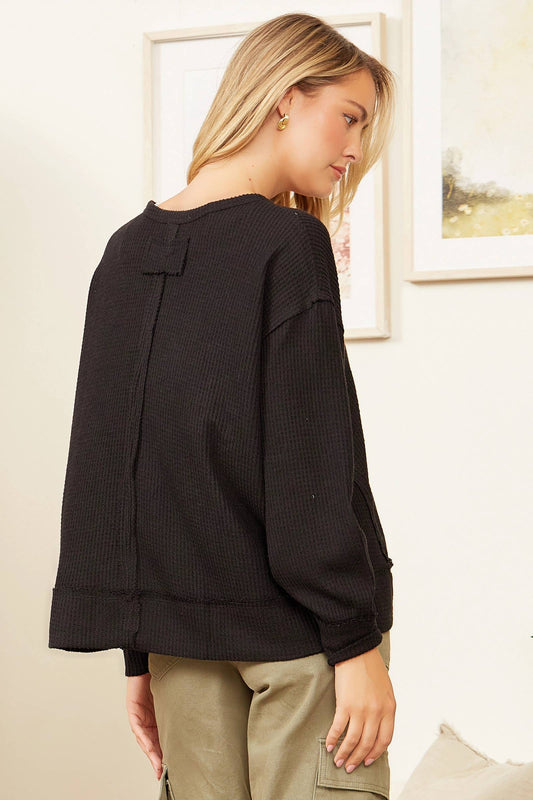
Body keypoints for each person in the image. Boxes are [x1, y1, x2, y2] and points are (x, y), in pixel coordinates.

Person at [48, 11, 397, 800]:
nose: (353, 149)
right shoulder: (285, 244)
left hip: (181, 646)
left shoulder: (126, 249)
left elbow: (118, 464)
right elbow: (307, 464)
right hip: (302, 645)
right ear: (283, 97)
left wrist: (141, 649)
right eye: (348, 118)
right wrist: (356, 646)